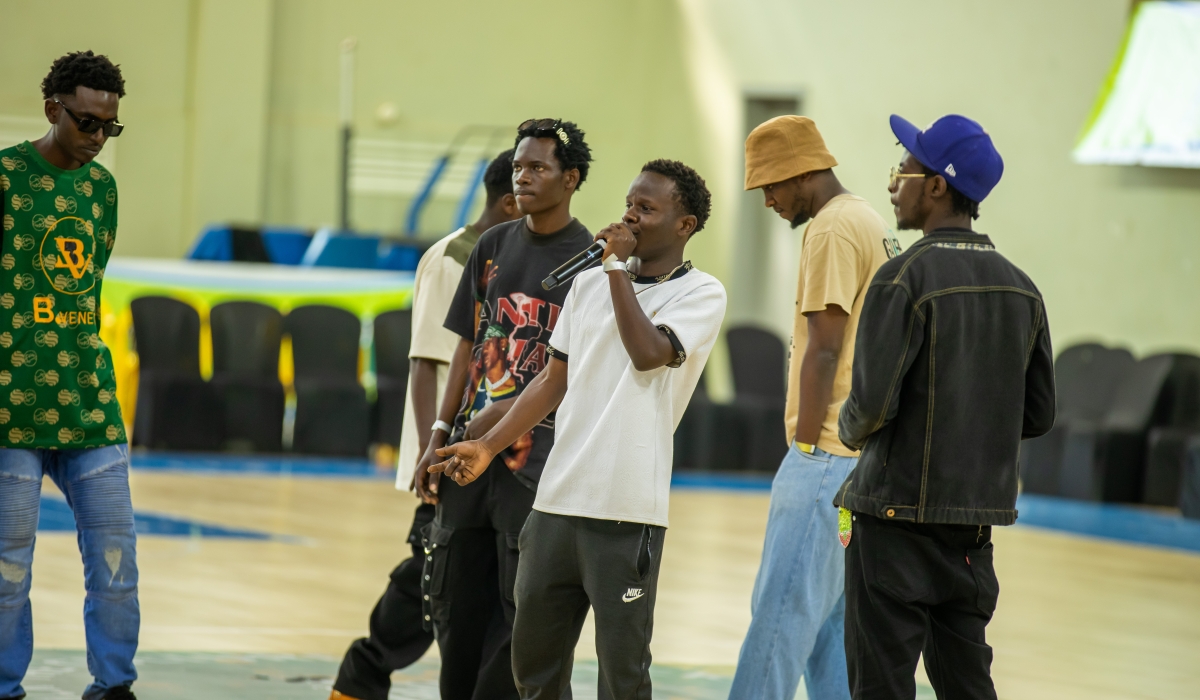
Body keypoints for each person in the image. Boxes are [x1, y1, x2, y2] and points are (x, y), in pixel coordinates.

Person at [432, 159, 726, 700]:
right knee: (533, 671)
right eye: (629, 204)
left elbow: (648, 353)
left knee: (622, 678)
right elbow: (551, 380)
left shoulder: (701, 293)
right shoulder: (589, 284)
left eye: (646, 208)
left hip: (626, 511)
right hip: (554, 504)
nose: (629, 216)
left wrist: (615, 270)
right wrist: (489, 446)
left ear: (684, 225)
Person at [834, 114, 1055, 699]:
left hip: (891, 520)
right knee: (967, 684)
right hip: (972, 531)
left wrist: (847, 431)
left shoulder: (901, 277)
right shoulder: (1023, 289)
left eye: (903, 170)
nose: (892, 183)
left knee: (881, 685)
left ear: (936, 185)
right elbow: (1038, 415)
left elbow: (870, 406)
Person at [328, 149, 520, 700]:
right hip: (448, 452)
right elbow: (426, 362)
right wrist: (430, 451)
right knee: (429, 579)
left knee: (468, 583)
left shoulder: (515, 255)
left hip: (493, 448)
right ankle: (360, 677)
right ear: (511, 200)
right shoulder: (453, 257)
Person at [413, 119, 594, 700]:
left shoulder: (591, 263)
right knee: (455, 608)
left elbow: (573, 375)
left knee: (522, 617)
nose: (523, 177)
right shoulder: (491, 246)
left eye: (538, 167)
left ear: (571, 178)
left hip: (534, 466)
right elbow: (467, 347)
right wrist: (438, 435)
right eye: (518, 166)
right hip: (468, 457)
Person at [729, 116, 896, 700]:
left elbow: (825, 347)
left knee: (778, 617)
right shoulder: (867, 219)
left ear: (802, 173)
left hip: (824, 456)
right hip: (860, 459)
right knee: (829, 628)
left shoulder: (831, 229)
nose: (768, 201)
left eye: (771, 186)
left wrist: (803, 447)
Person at [0, 51, 137, 700]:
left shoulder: (102, 189)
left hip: (87, 399)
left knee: (116, 560)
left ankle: (114, 686)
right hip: (10, 402)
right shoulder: (5, 178)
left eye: (110, 126)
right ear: (52, 109)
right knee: (7, 567)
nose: (98, 137)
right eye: (86, 123)